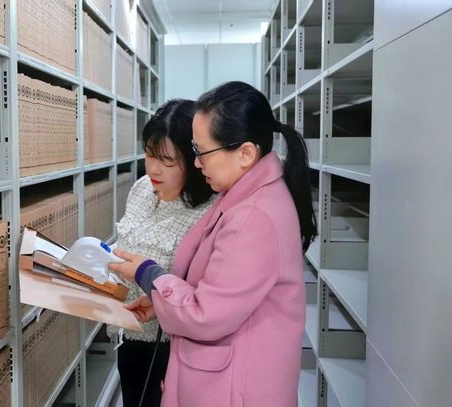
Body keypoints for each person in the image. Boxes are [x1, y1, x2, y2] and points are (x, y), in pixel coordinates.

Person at [109, 81, 317, 407]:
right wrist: (162, 303)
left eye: (201, 152)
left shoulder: (253, 218)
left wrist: (148, 273)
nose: (196, 163)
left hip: (236, 389)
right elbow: (220, 289)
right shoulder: (241, 194)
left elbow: (205, 314)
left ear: (245, 153)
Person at [107, 99, 215, 407]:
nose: (154, 168)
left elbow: (203, 294)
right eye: (150, 154)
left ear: (193, 161)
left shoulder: (208, 212)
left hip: (172, 347)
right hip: (128, 335)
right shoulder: (141, 189)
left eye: (167, 160)